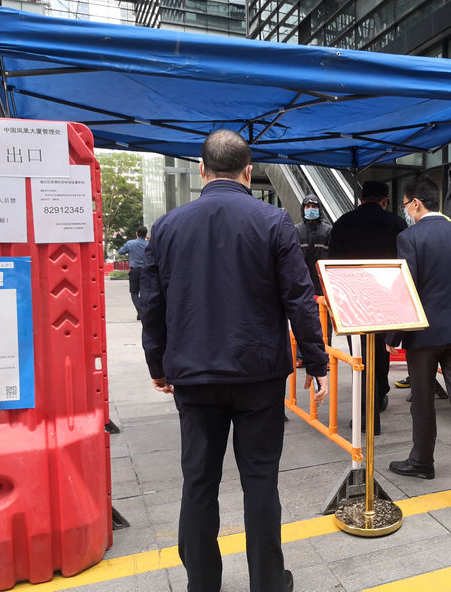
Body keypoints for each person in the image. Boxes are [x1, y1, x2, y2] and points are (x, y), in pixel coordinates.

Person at [140, 129, 328, 592]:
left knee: (198, 482)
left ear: (201, 170)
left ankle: (202, 583)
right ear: (249, 171)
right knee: (261, 482)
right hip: (258, 374)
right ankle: (268, 582)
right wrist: (316, 362)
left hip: (194, 375)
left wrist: (157, 365)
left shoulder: (167, 227)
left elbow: (152, 304)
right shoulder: (274, 222)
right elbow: (299, 298)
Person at [386, 177, 451, 508]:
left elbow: (407, 288)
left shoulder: (409, 238)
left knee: (422, 400)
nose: (406, 211)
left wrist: (393, 336)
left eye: (405, 205)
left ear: (416, 203)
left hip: (423, 334)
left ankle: (422, 461)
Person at [329, 180, 407, 434]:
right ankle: (379, 395)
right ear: (385, 200)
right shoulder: (397, 223)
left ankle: (366, 411)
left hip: (353, 301)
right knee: (382, 352)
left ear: (361, 199)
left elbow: (332, 264)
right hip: (386, 300)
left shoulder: (343, 223)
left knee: (359, 355)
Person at [295, 194, 332, 366]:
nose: (311, 210)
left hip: (322, 282)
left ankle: (325, 355)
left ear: (319, 209)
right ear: (303, 209)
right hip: (302, 282)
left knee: (324, 321)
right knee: (302, 318)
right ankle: (301, 356)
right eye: (307, 207)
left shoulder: (328, 231)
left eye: (314, 206)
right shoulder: (296, 230)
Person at [118, 225, 149, 320]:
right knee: (145, 292)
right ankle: (143, 312)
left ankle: (140, 311)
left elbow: (120, 252)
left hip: (135, 270)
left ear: (136, 234)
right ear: (146, 235)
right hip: (146, 271)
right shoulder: (149, 244)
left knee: (134, 293)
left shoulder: (130, 243)